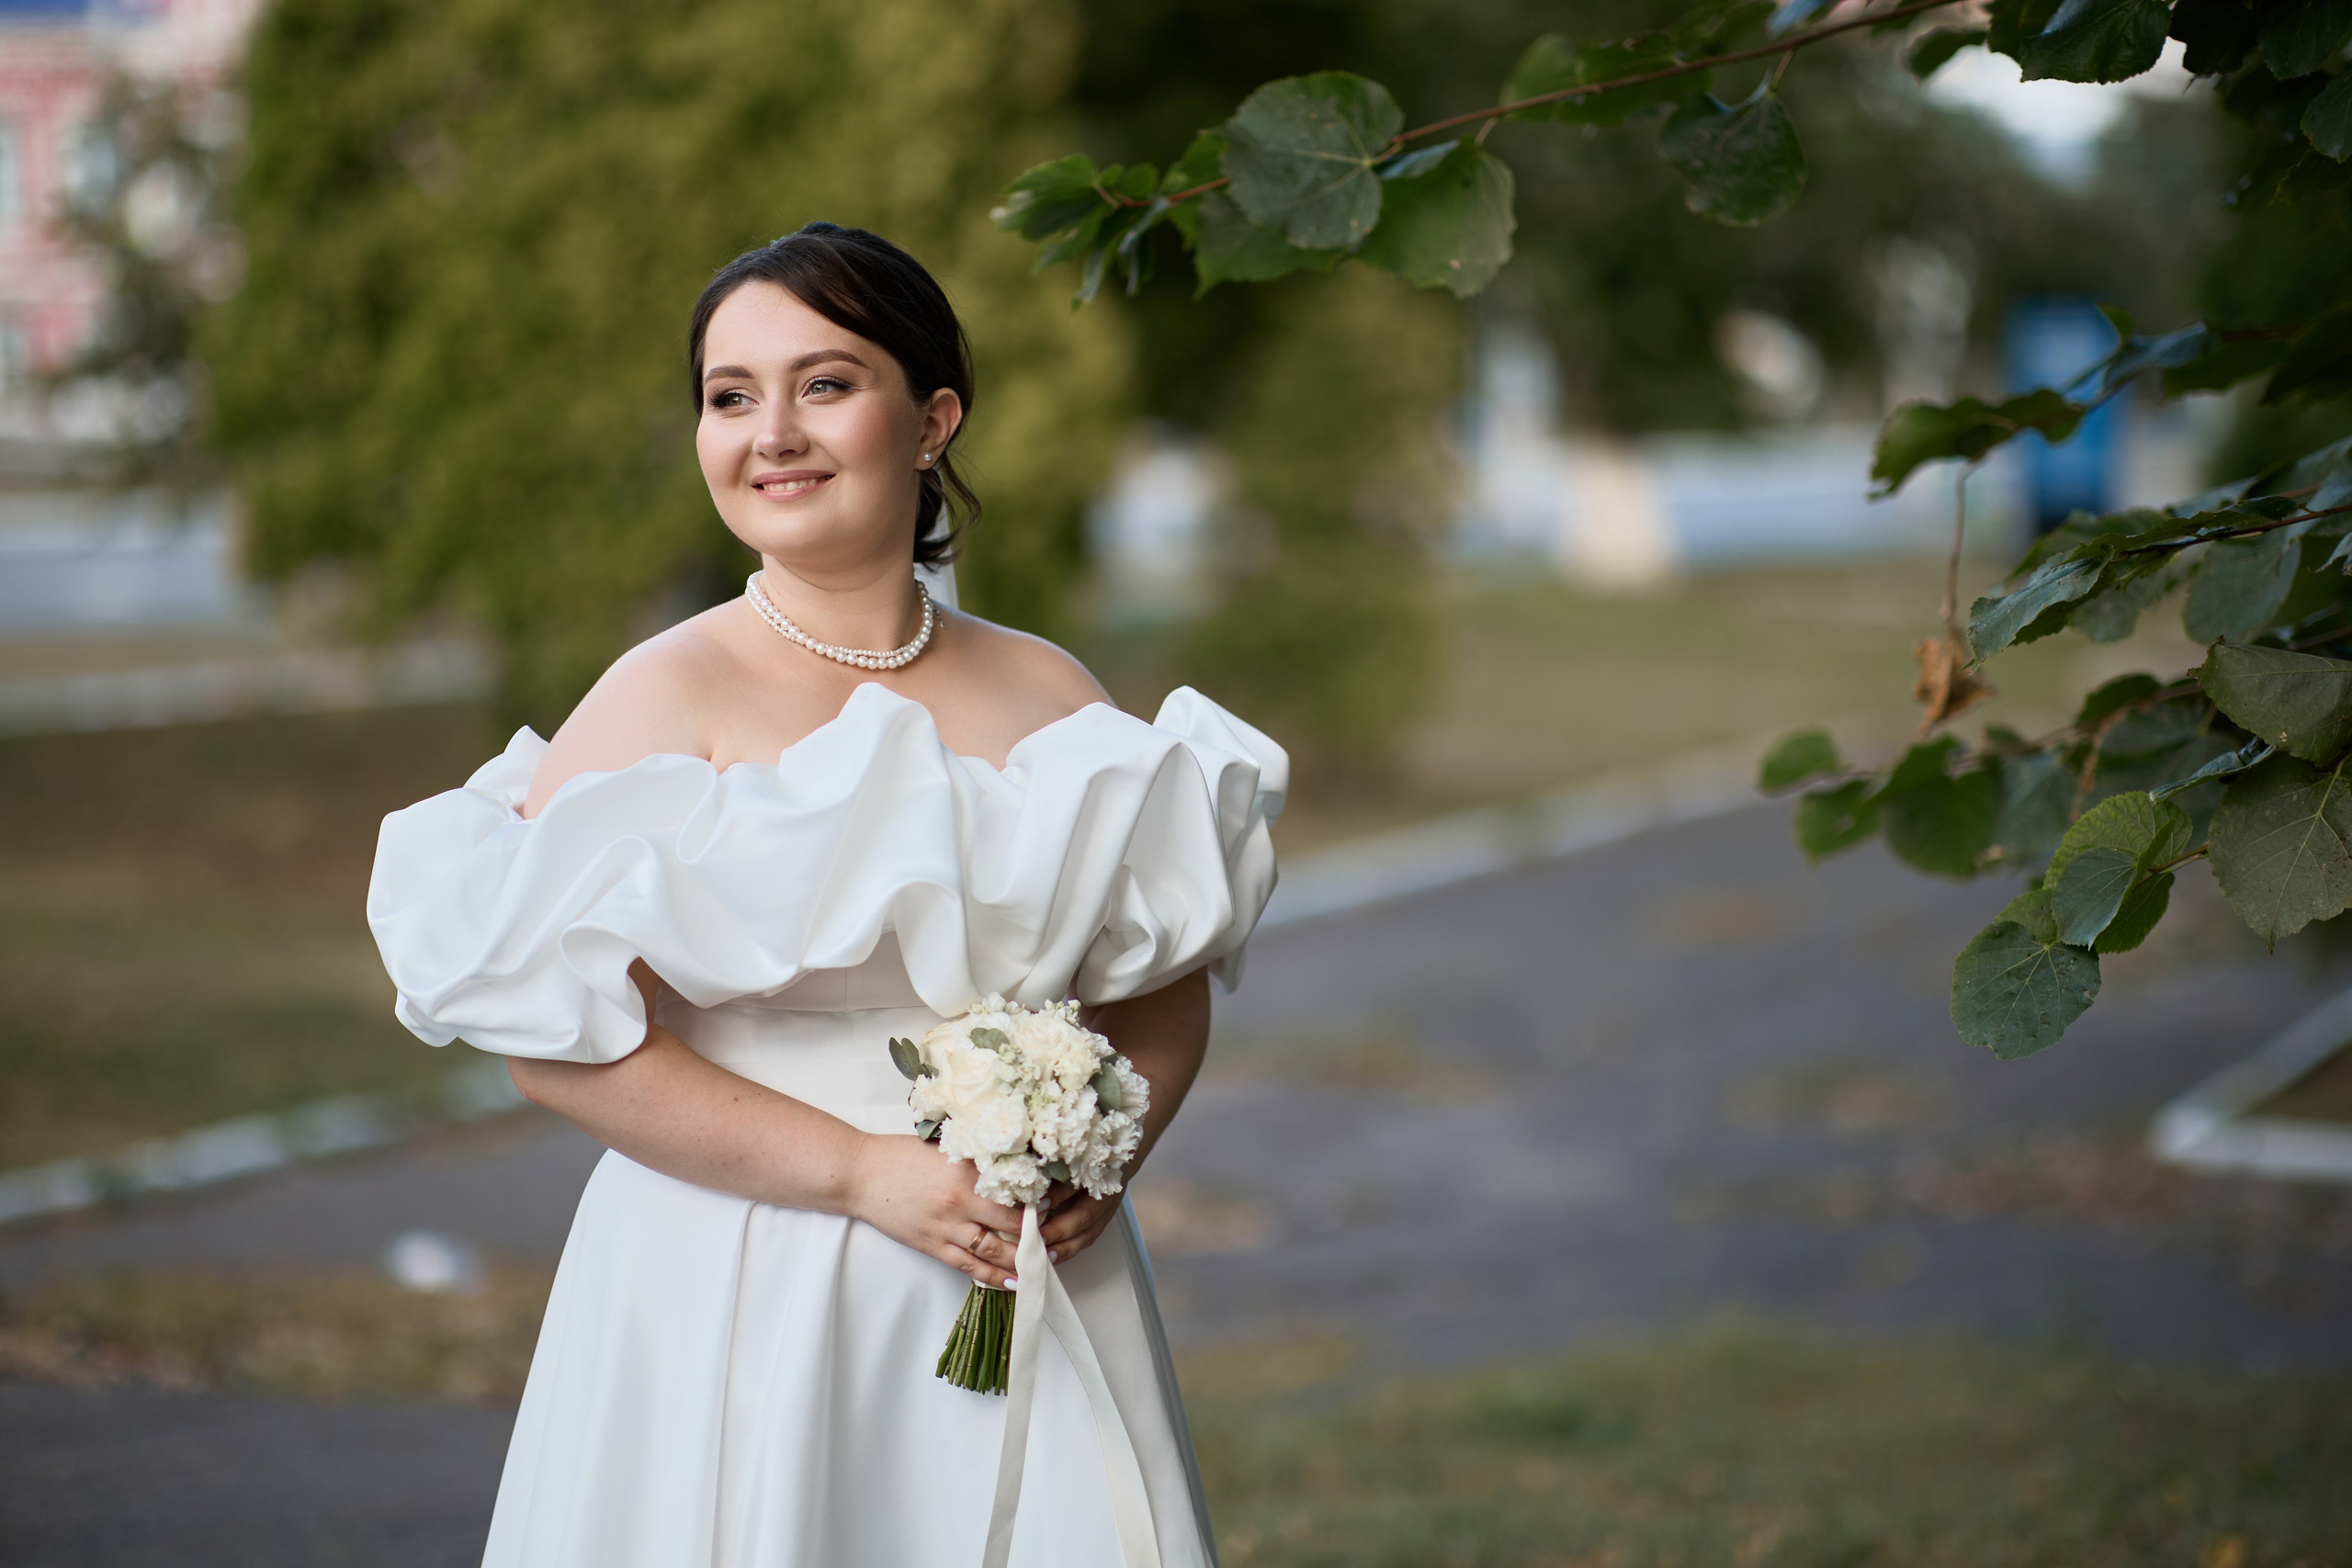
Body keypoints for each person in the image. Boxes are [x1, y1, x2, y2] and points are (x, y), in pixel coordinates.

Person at [367, 222, 1285, 1566]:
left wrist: (1101, 1158)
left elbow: (1160, 986)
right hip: (743, 1279)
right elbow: (553, 1048)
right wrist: (861, 1175)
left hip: (1022, 1268)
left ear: (933, 420)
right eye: (730, 397)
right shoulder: (659, 696)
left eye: (826, 383)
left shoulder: (1050, 693)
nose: (772, 432)